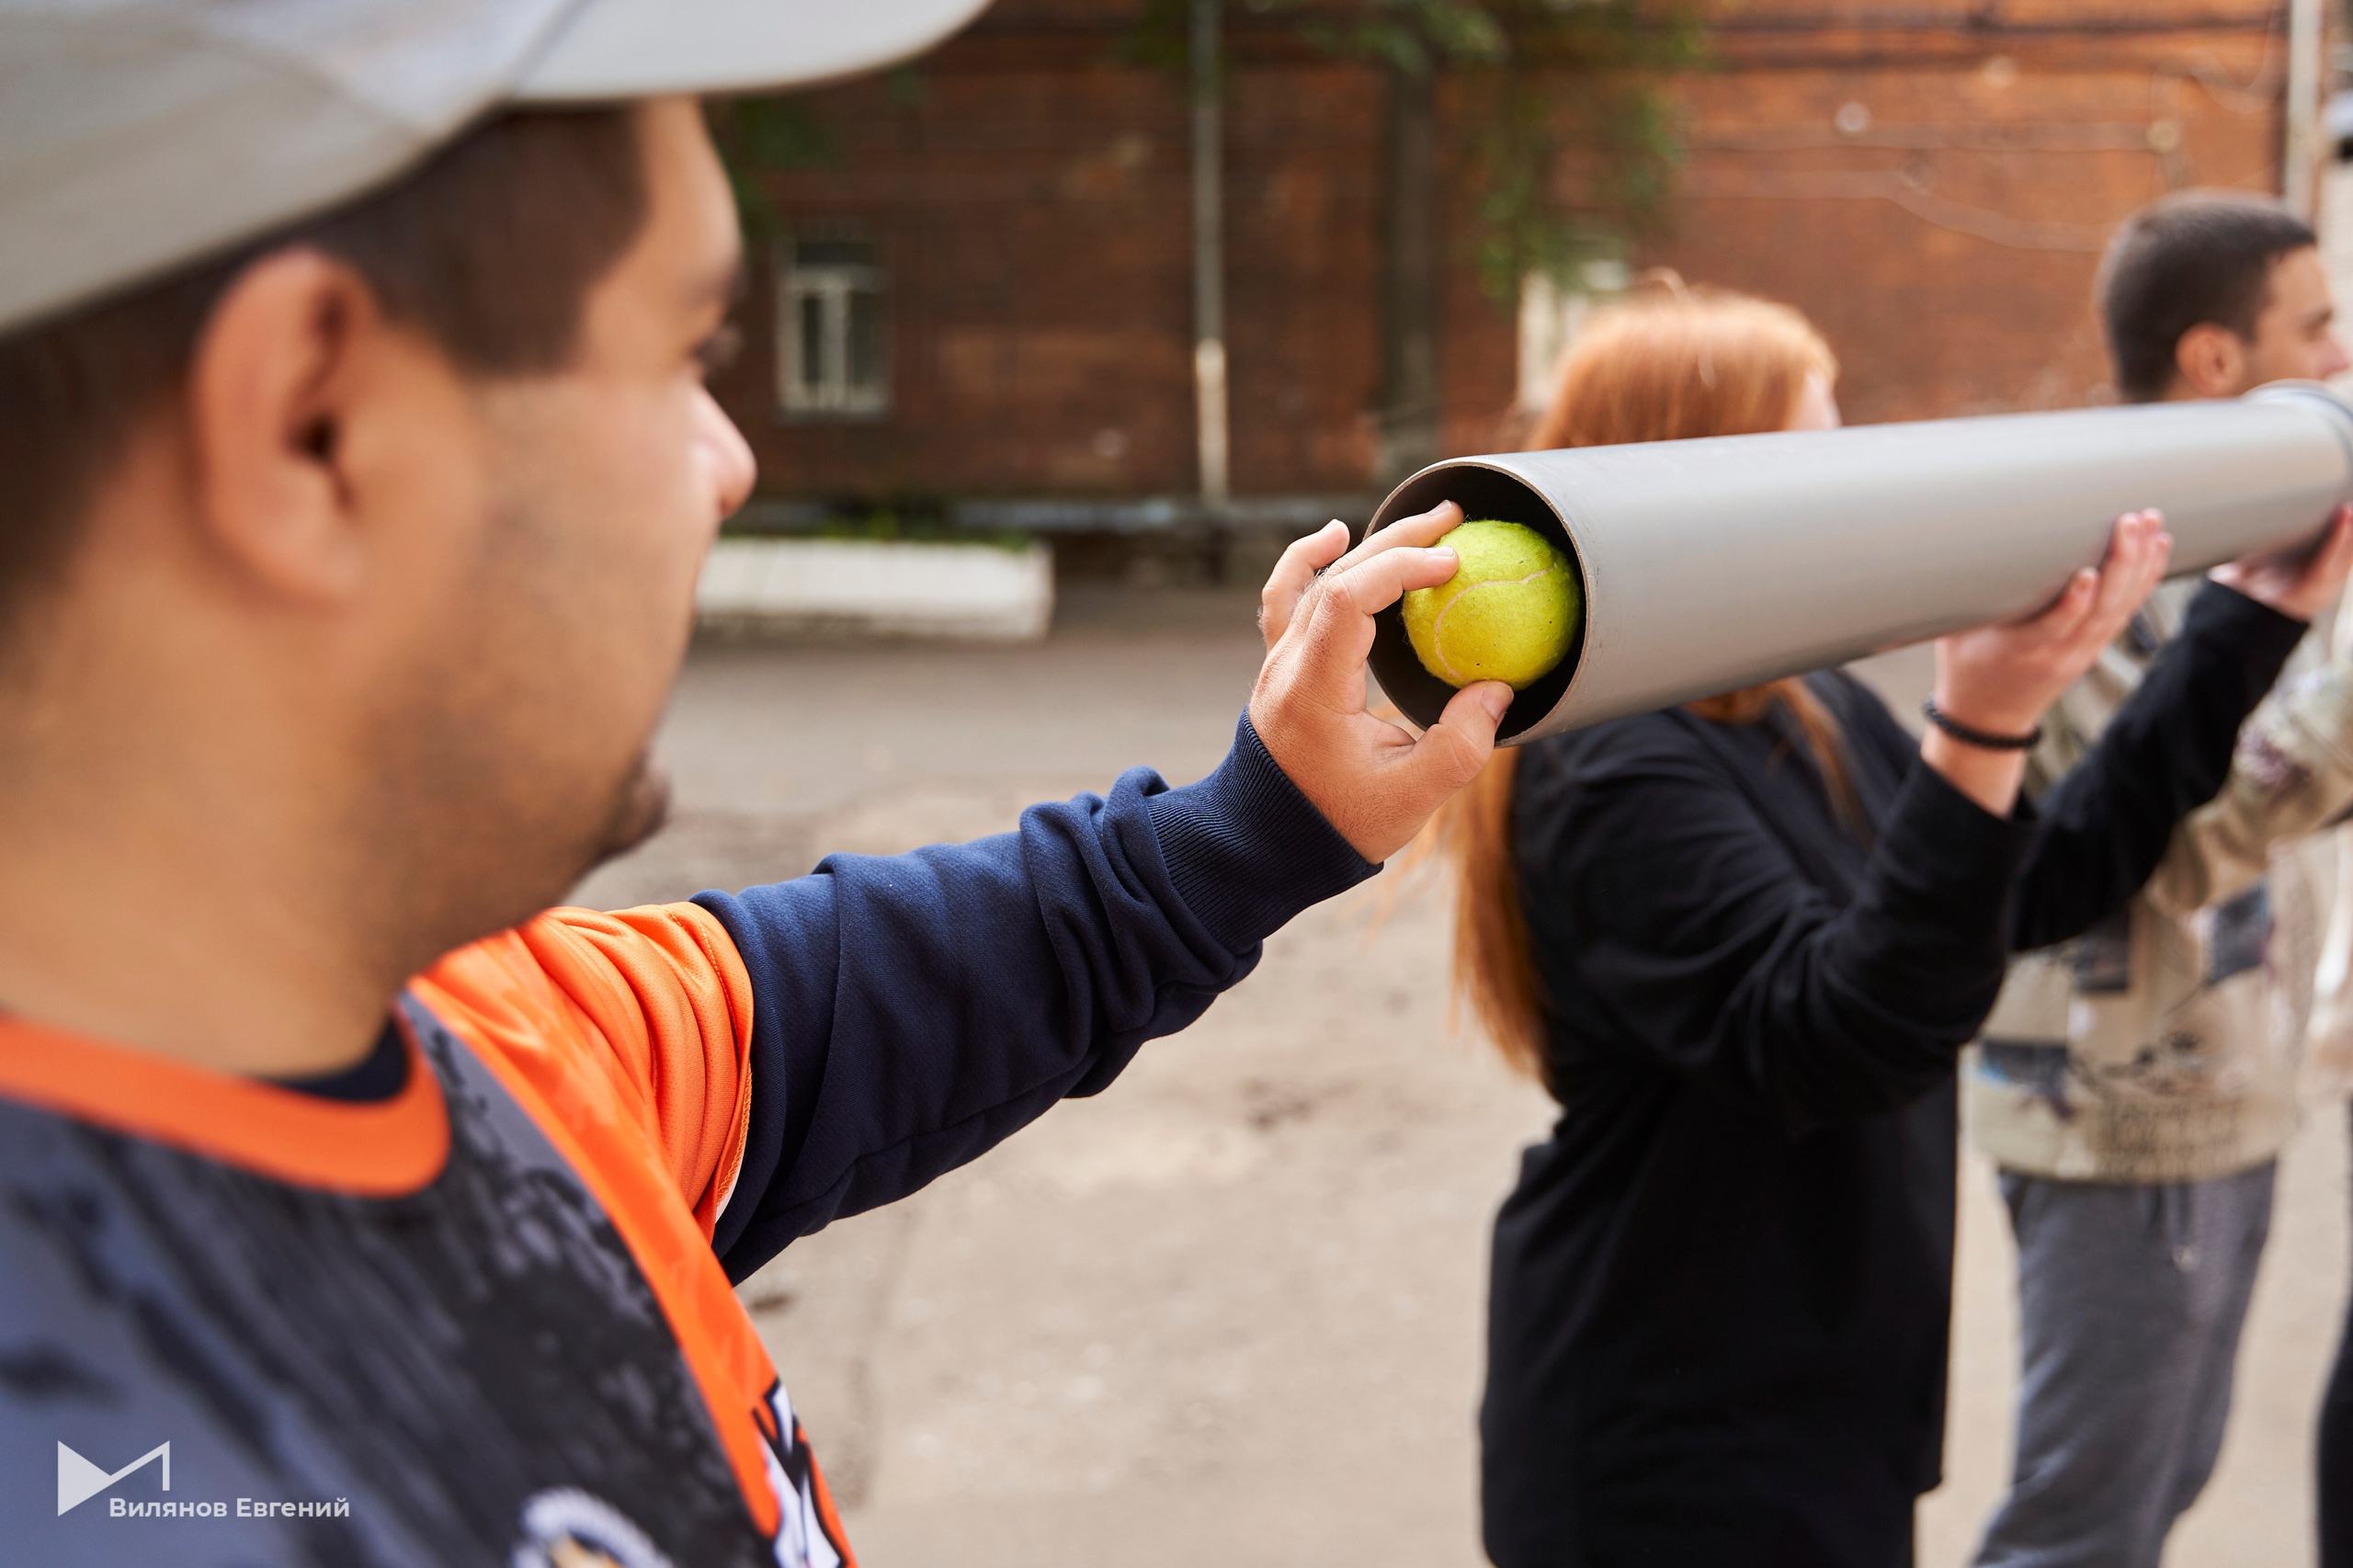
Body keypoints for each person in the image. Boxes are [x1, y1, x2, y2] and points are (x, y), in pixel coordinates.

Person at [0, 7, 1517, 1563]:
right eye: (683, 353)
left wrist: (1266, 816)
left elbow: (891, 997)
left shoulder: (472, 1025)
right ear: (312, 427)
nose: (727, 459)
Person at [1438, 286, 2353, 1568]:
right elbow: (1841, 1043)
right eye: (1813, 457)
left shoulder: (1796, 700)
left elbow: (2032, 891)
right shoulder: (1611, 766)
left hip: (1819, 1393)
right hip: (1674, 1432)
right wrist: (1979, 727)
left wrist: (2248, 617)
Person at [1966, 189, 2353, 1568]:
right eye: (2318, 326)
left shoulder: (2260, 524)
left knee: (2161, 1482)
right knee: (2083, 1523)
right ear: (2214, 360)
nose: (2342, 355)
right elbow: (2164, 844)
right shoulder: (2103, 551)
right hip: (2116, 1115)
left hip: (2222, 1093)